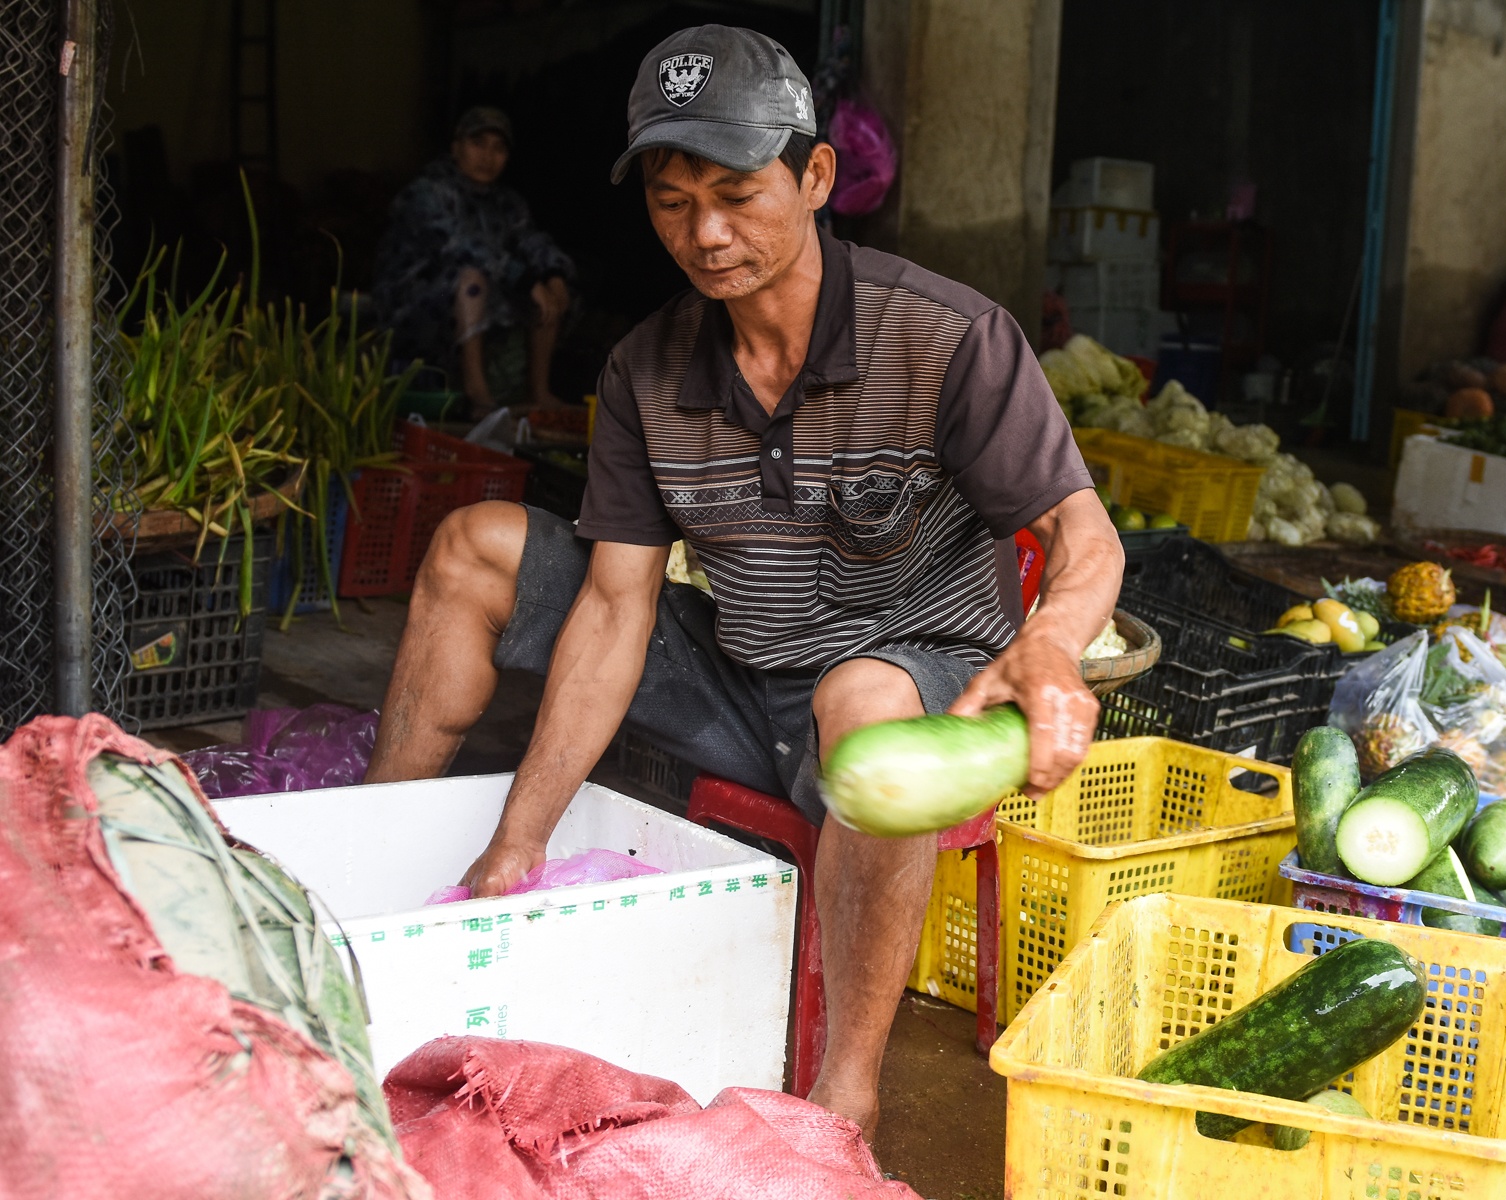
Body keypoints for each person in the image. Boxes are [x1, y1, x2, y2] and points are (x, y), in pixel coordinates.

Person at [365, 26, 1123, 1137]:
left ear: (816, 178)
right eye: (673, 203)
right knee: (475, 544)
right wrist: (522, 834)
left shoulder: (948, 337)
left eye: (736, 193)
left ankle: (845, 1092)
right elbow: (619, 605)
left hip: (915, 692)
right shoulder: (646, 369)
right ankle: (363, 886)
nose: (706, 234)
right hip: (741, 672)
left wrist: (1050, 643)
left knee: (859, 701)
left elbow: (1083, 532)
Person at [372, 106, 574, 414]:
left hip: (477, 302)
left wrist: (553, 273)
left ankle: (539, 392)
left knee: (548, 291)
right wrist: (526, 279)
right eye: (478, 144)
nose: (487, 156)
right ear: (457, 148)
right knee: (473, 281)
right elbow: (462, 247)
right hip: (414, 304)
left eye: (498, 148)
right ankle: (478, 395)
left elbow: (531, 240)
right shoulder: (427, 192)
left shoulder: (504, 202)